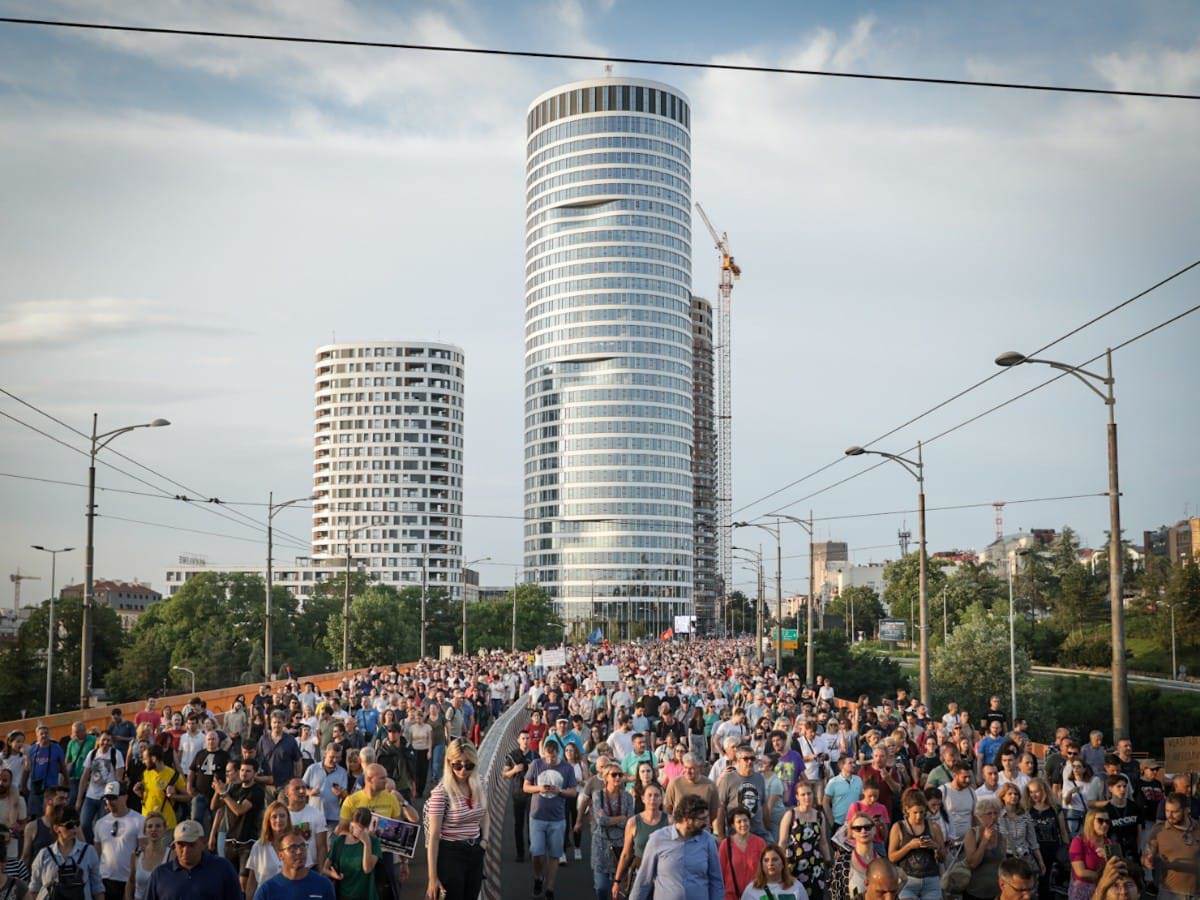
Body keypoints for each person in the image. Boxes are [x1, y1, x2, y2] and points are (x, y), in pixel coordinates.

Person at [425, 739, 488, 900]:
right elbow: (433, 836)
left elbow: (485, 813)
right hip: (451, 854)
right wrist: (432, 878)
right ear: (448, 763)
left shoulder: (479, 783)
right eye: (457, 765)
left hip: (475, 852)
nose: (463, 770)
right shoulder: (441, 793)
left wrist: (484, 841)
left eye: (469, 765)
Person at [629, 794, 723, 900]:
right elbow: (643, 880)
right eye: (702, 819)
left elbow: (716, 881)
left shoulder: (707, 841)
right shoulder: (657, 839)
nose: (707, 823)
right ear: (687, 819)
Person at [524, 738, 577, 900]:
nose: (550, 760)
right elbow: (525, 787)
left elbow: (573, 792)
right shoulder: (536, 765)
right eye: (547, 757)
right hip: (537, 816)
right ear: (544, 754)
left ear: (557, 755)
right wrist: (539, 788)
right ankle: (538, 877)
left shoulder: (567, 768)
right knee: (537, 852)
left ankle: (550, 888)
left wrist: (559, 791)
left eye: (553, 758)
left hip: (557, 819)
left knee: (554, 855)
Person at [145, 819, 241, 899]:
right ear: (174, 846)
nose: (186, 850)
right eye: (181, 845)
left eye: (191, 844)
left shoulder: (222, 868)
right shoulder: (160, 875)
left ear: (203, 842)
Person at [28, 810, 103, 900]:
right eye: (69, 825)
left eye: (77, 824)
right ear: (56, 828)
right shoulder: (44, 855)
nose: (74, 828)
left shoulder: (89, 851)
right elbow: (34, 889)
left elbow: (98, 888)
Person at [212, 759, 266, 883]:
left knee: (243, 882)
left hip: (247, 842)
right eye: (242, 770)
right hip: (230, 841)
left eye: (248, 771)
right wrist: (217, 791)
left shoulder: (257, 791)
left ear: (255, 773)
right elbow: (214, 807)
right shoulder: (233, 789)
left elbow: (239, 810)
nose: (244, 773)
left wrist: (224, 794)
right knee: (230, 881)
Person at [614, 780, 669, 897]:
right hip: (640, 872)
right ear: (643, 798)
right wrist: (617, 881)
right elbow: (626, 854)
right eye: (649, 795)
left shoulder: (670, 821)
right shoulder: (633, 822)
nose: (653, 799)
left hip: (663, 874)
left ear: (661, 798)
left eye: (656, 795)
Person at [1141, 792, 1199, 900]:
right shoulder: (1159, 830)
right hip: (1170, 894)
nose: (1169, 815)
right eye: (1167, 811)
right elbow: (1147, 854)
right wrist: (1147, 859)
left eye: (1175, 812)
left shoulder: (1198, 828)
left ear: (1187, 810)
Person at [886, 789, 941, 900]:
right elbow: (891, 858)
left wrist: (935, 847)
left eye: (921, 812)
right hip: (907, 881)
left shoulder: (933, 827)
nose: (918, 816)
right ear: (907, 809)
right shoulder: (898, 827)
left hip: (931, 881)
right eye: (915, 812)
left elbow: (943, 856)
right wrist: (909, 846)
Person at [251, 827, 334, 900]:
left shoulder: (323, 885)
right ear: (280, 855)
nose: (299, 851)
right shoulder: (267, 891)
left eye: (302, 846)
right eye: (292, 848)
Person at [779, 782, 830, 900]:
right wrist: (781, 864)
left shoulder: (819, 815)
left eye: (809, 793)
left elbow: (823, 841)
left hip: (815, 865)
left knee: (816, 896)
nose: (807, 797)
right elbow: (782, 842)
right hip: (794, 864)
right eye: (803, 795)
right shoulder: (790, 815)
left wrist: (828, 861)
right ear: (797, 796)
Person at [93, 782, 143, 900]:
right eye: (107, 799)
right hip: (105, 881)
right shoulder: (100, 823)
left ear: (125, 797)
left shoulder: (139, 820)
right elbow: (97, 854)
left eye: (113, 798)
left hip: (128, 881)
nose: (110, 802)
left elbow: (142, 854)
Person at [589, 764, 632, 900]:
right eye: (614, 775)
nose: (618, 777)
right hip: (601, 845)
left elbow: (630, 822)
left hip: (621, 845)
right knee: (601, 887)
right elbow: (600, 820)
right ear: (606, 777)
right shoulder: (597, 795)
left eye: (620, 774)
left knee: (619, 888)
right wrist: (621, 818)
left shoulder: (627, 797)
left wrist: (610, 819)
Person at [321, 806, 378, 900]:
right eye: (355, 827)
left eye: (361, 829)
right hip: (343, 894)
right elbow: (325, 868)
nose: (357, 832)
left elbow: (367, 869)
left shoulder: (374, 842)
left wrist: (366, 843)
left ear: (367, 828)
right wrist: (334, 875)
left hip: (365, 895)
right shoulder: (339, 841)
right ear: (351, 823)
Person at [78, 734, 126, 844]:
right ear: (99, 740)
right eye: (103, 739)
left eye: (108, 740)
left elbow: (119, 777)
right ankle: (91, 844)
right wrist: (79, 799)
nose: (105, 742)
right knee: (84, 823)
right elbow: (85, 776)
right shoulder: (93, 754)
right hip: (91, 795)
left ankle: (103, 846)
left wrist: (116, 799)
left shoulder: (116, 754)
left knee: (103, 825)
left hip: (107, 797)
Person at [1025, 778, 1067, 900]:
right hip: (1033, 852)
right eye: (1031, 792)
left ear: (1044, 790)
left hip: (1052, 851)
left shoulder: (1055, 808)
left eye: (1036, 791)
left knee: (1048, 885)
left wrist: (1067, 851)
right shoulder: (1027, 810)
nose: (1034, 795)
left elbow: (1063, 832)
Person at [717, 746, 771, 843]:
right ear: (738, 760)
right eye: (746, 759)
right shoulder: (728, 779)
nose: (750, 762)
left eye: (752, 759)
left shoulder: (759, 778)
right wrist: (721, 836)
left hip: (758, 832)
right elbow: (721, 808)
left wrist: (767, 828)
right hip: (736, 834)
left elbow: (764, 805)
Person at [245, 801, 292, 898]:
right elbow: (252, 882)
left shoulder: (296, 845)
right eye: (274, 817)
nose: (278, 820)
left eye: (282, 816)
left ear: (288, 819)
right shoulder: (258, 846)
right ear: (268, 821)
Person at [134, 746, 188, 830]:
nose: (143, 762)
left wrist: (173, 796)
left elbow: (188, 797)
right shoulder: (145, 773)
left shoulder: (174, 776)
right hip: (147, 824)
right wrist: (139, 793)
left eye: (145, 759)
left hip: (165, 825)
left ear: (154, 759)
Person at [963, 797, 1007, 900]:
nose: (993, 817)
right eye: (989, 813)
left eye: (995, 813)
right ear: (980, 816)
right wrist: (985, 840)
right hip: (974, 892)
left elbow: (1003, 865)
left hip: (996, 893)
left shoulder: (1001, 837)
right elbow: (973, 863)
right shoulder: (972, 834)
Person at [720, 807, 767, 900]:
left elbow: (765, 869)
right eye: (739, 821)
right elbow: (720, 872)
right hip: (731, 896)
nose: (743, 824)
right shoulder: (726, 844)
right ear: (733, 825)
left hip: (755, 894)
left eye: (745, 820)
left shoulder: (760, 843)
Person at [995, 784, 1042, 876]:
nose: (1013, 796)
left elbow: (1033, 841)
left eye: (1016, 794)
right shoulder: (998, 816)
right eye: (1010, 794)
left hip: (1024, 857)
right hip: (1007, 859)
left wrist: (1040, 861)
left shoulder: (1025, 815)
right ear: (1003, 797)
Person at [503, 732, 535, 863]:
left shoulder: (535, 755)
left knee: (531, 824)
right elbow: (504, 775)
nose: (525, 741)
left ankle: (533, 851)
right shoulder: (512, 756)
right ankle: (520, 852)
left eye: (527, 738)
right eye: (523, 738)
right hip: (517, 793)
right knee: (519, 824)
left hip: (532, 793)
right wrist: (514, 770)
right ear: (518, 740)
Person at [1068, 810, 1115, 900]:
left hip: (1104, 888)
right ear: (1090, 822)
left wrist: (1107, 856)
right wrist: (1105, 877)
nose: (1105, 824)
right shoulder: (1078, 841)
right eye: (1100, 820)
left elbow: (1113, 865)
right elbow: (1080, 872)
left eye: (1107, 821)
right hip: (1082, 891)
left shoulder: (1108, 842)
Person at [23, 726, 67, 820]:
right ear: (37, 736)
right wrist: (23, 785)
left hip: (51, 787)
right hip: (36, 787)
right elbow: (26, 768)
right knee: (34, 814)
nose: (44, 735)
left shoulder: (56, 748)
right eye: (41, 733)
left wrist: (66, 781)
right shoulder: (32, 749)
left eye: (46, 733)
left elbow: (63, 766)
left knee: (50, 813)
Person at [22, 785, 69, 873]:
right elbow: (26, 856)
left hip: (64, 879)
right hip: (39, 878)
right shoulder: (32, 827)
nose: (65, 802)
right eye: (61, 799)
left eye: (66, 799)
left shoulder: (71, 825)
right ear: (49, 801)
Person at [281, 781, 326, 871]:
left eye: (303, 788)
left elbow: (322, 846)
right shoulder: (281, 816)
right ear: (287, 793)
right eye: (297, 789)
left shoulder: (317, 814)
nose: (302, 791)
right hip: (287, 868)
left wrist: (322, 871)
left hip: (311, 868)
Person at [126, 812, 171, 900]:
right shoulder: (136, 854)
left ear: (165, 829)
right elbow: (131, 882)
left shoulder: (171, 855)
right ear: (145, 831)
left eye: (158, 826)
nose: (153, 829)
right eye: (150, 826)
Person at [302, 747, 347, 832]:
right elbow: (301, 789)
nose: (335, 760)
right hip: (314, 814)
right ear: (325, 754)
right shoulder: (312, 768)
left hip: (332, 817)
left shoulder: (343, 772)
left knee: (330, 844)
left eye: (338, 757)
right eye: (332, 757)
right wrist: (310, 792)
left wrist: (341, 793)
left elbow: (345, 795)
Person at [741, 843, 807, 900]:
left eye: (775, 859)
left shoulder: (796, 886)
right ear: (761, 865)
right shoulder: (751, 890)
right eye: (766, 860)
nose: (770, 864)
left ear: (783, 863)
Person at [824, 757, 863, 831]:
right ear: (842, 766)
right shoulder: (833, 782)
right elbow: (825, 802)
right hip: (838, 823)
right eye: (850, 763)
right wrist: (832, 822)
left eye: (854, 762)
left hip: (855, 823)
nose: (853, 765)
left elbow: (861, 800)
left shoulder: (858, 780)